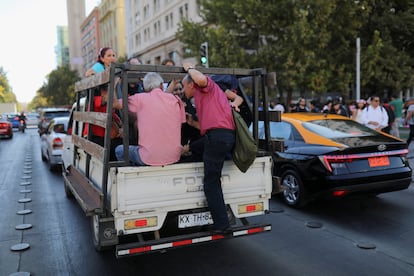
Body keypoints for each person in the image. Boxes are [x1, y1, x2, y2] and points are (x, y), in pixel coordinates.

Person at [181, 63, 243, 234]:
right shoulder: (206, 97)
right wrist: (191, 123)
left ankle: (222, 225)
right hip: (220, 137)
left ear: (190, 83)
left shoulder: (205, 87)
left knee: (211, 182)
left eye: (183, 86)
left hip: (218, 137)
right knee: (196, 146)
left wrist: (189, 68)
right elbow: (207, 125)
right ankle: (189, 150)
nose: (182, 90)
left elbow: (200, 78)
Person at [114, 72, 186, 166]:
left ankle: (136, 172)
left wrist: (114, 86)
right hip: (174, 156)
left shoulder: (139, 98)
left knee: (119, 150)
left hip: (149, 158)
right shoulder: (175, 99)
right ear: (161, 85)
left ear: (144, 88)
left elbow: (115, 104)